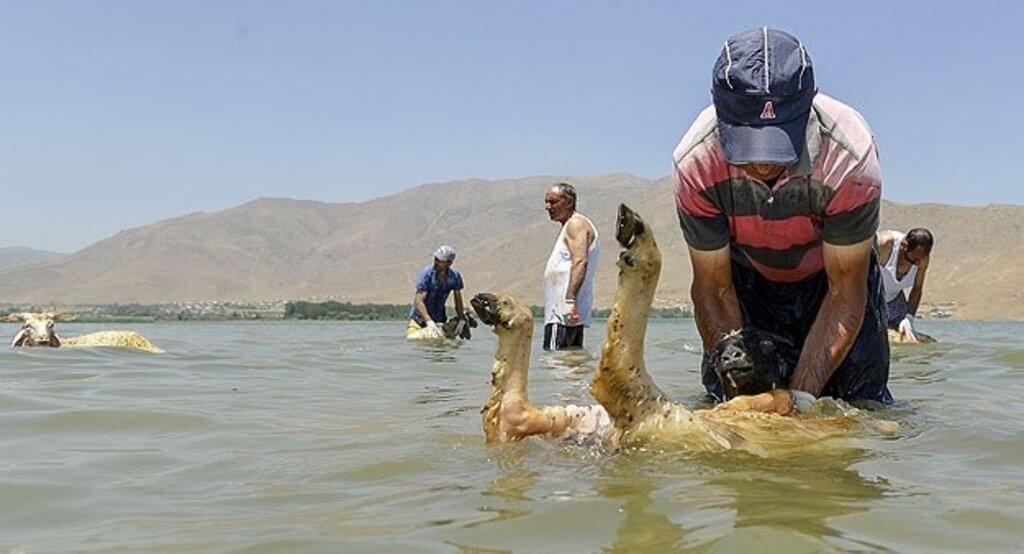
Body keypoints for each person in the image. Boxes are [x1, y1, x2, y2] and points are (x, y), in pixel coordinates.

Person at [672, 27, 891, 410]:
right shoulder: (695, 162)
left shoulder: (850, 156)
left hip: (834, 281)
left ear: (810, 102)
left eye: (778, 143)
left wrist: (801, 402)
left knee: (857, 410)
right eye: (747, 144)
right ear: (718, 107)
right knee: (727, 409)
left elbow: (844, 288)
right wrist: (743, 407)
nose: (762, 164)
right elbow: (713, 287)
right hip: (747, 282)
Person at [543, 182, 600, 351]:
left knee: (557, 362)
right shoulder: (570, 226)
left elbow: (580, 261)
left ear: (568, 202)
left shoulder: (576, 224)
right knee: (570, 365)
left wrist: (569, 300)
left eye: (553, 202)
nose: (548, 207)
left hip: (563, 313)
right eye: (546, 202)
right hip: (564, 312)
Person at [876, 228, 933, 342]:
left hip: (894, 301)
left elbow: (917, 289)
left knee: (911, 339)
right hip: (870, 296)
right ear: (904, 246)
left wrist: (909, 318)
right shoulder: (884, 244)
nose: (918, 263)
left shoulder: (922, 259)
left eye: (921, 260)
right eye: (914, 260)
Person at [406, 245, 466, 340]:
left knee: (442, 348)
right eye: (436, 258)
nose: (436, 261)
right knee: (414, 341)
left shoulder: (455, 276)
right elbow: (419, 301)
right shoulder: (426, 274)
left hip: (439, 318)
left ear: (449, 263)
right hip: (419, 320)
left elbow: (458, 300)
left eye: (440, 260)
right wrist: (429, 321)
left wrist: (462, 319)